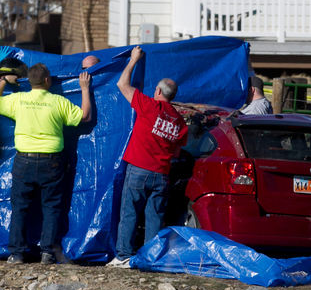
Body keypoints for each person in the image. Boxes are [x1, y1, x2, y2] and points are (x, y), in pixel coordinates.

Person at [0, 64, 92, 265]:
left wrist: (3, 81)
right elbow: (85, 116)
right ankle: (47, 253)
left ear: (29, 81)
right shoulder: (58, 102)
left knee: (19, 207)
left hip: (24, 160)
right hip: (51, 162)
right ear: (48, 80)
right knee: (51, 208)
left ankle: (17, 254)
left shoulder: (18, 99)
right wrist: (85, 88)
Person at [107, 46, 188, 268]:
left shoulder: (150, 106)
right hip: (162, 175)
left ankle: (124, 256)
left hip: (139, 170)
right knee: (155, 217)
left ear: (158, 91)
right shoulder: (180, 121)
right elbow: (176, 152)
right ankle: (150, 258)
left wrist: (133, 60)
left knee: (130, 214)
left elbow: (122, 84)